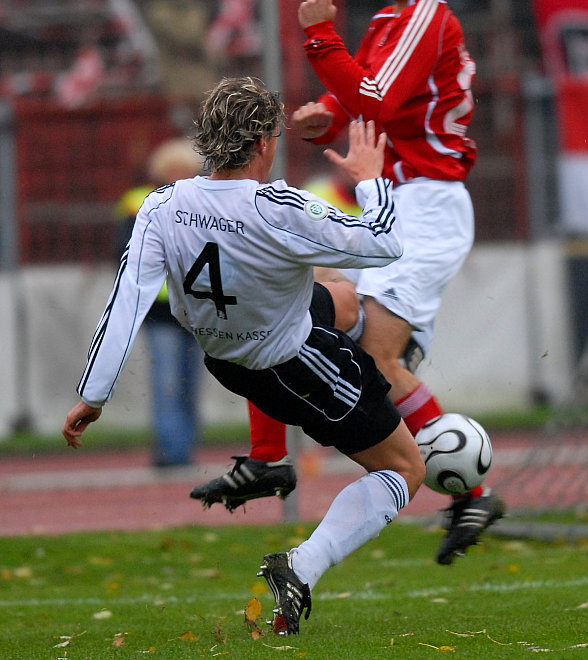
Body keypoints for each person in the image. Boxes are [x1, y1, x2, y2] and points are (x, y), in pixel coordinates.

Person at [189, 0, 505, 566]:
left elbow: (378, 101)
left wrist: (320, 39)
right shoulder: (395, 18)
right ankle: (270, 459)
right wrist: (327, 116)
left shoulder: (429, 14)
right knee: (290, 306)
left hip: (426, 206)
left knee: (379, 356)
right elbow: (365, 95)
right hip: (396, 198)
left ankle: (471, 492)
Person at [62, 76, 425, 636]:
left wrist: (92, 396)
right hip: (298, 365)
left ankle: (313, 412)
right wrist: (372, 180)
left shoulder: (161, 205)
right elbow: (384, 243)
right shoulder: (277, 206)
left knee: (341, 298)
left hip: (228, 360)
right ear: (263, 142)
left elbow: (124, 304)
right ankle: (302, 565)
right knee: (404, 468)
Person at [115, 138, 205, 467]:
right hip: (159, 311)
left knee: (190, 383)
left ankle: (184, 447)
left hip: (196, 309)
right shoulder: (137, 202)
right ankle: (171, 451)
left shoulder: (200, 205)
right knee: (167, 383)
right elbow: (126, 254)